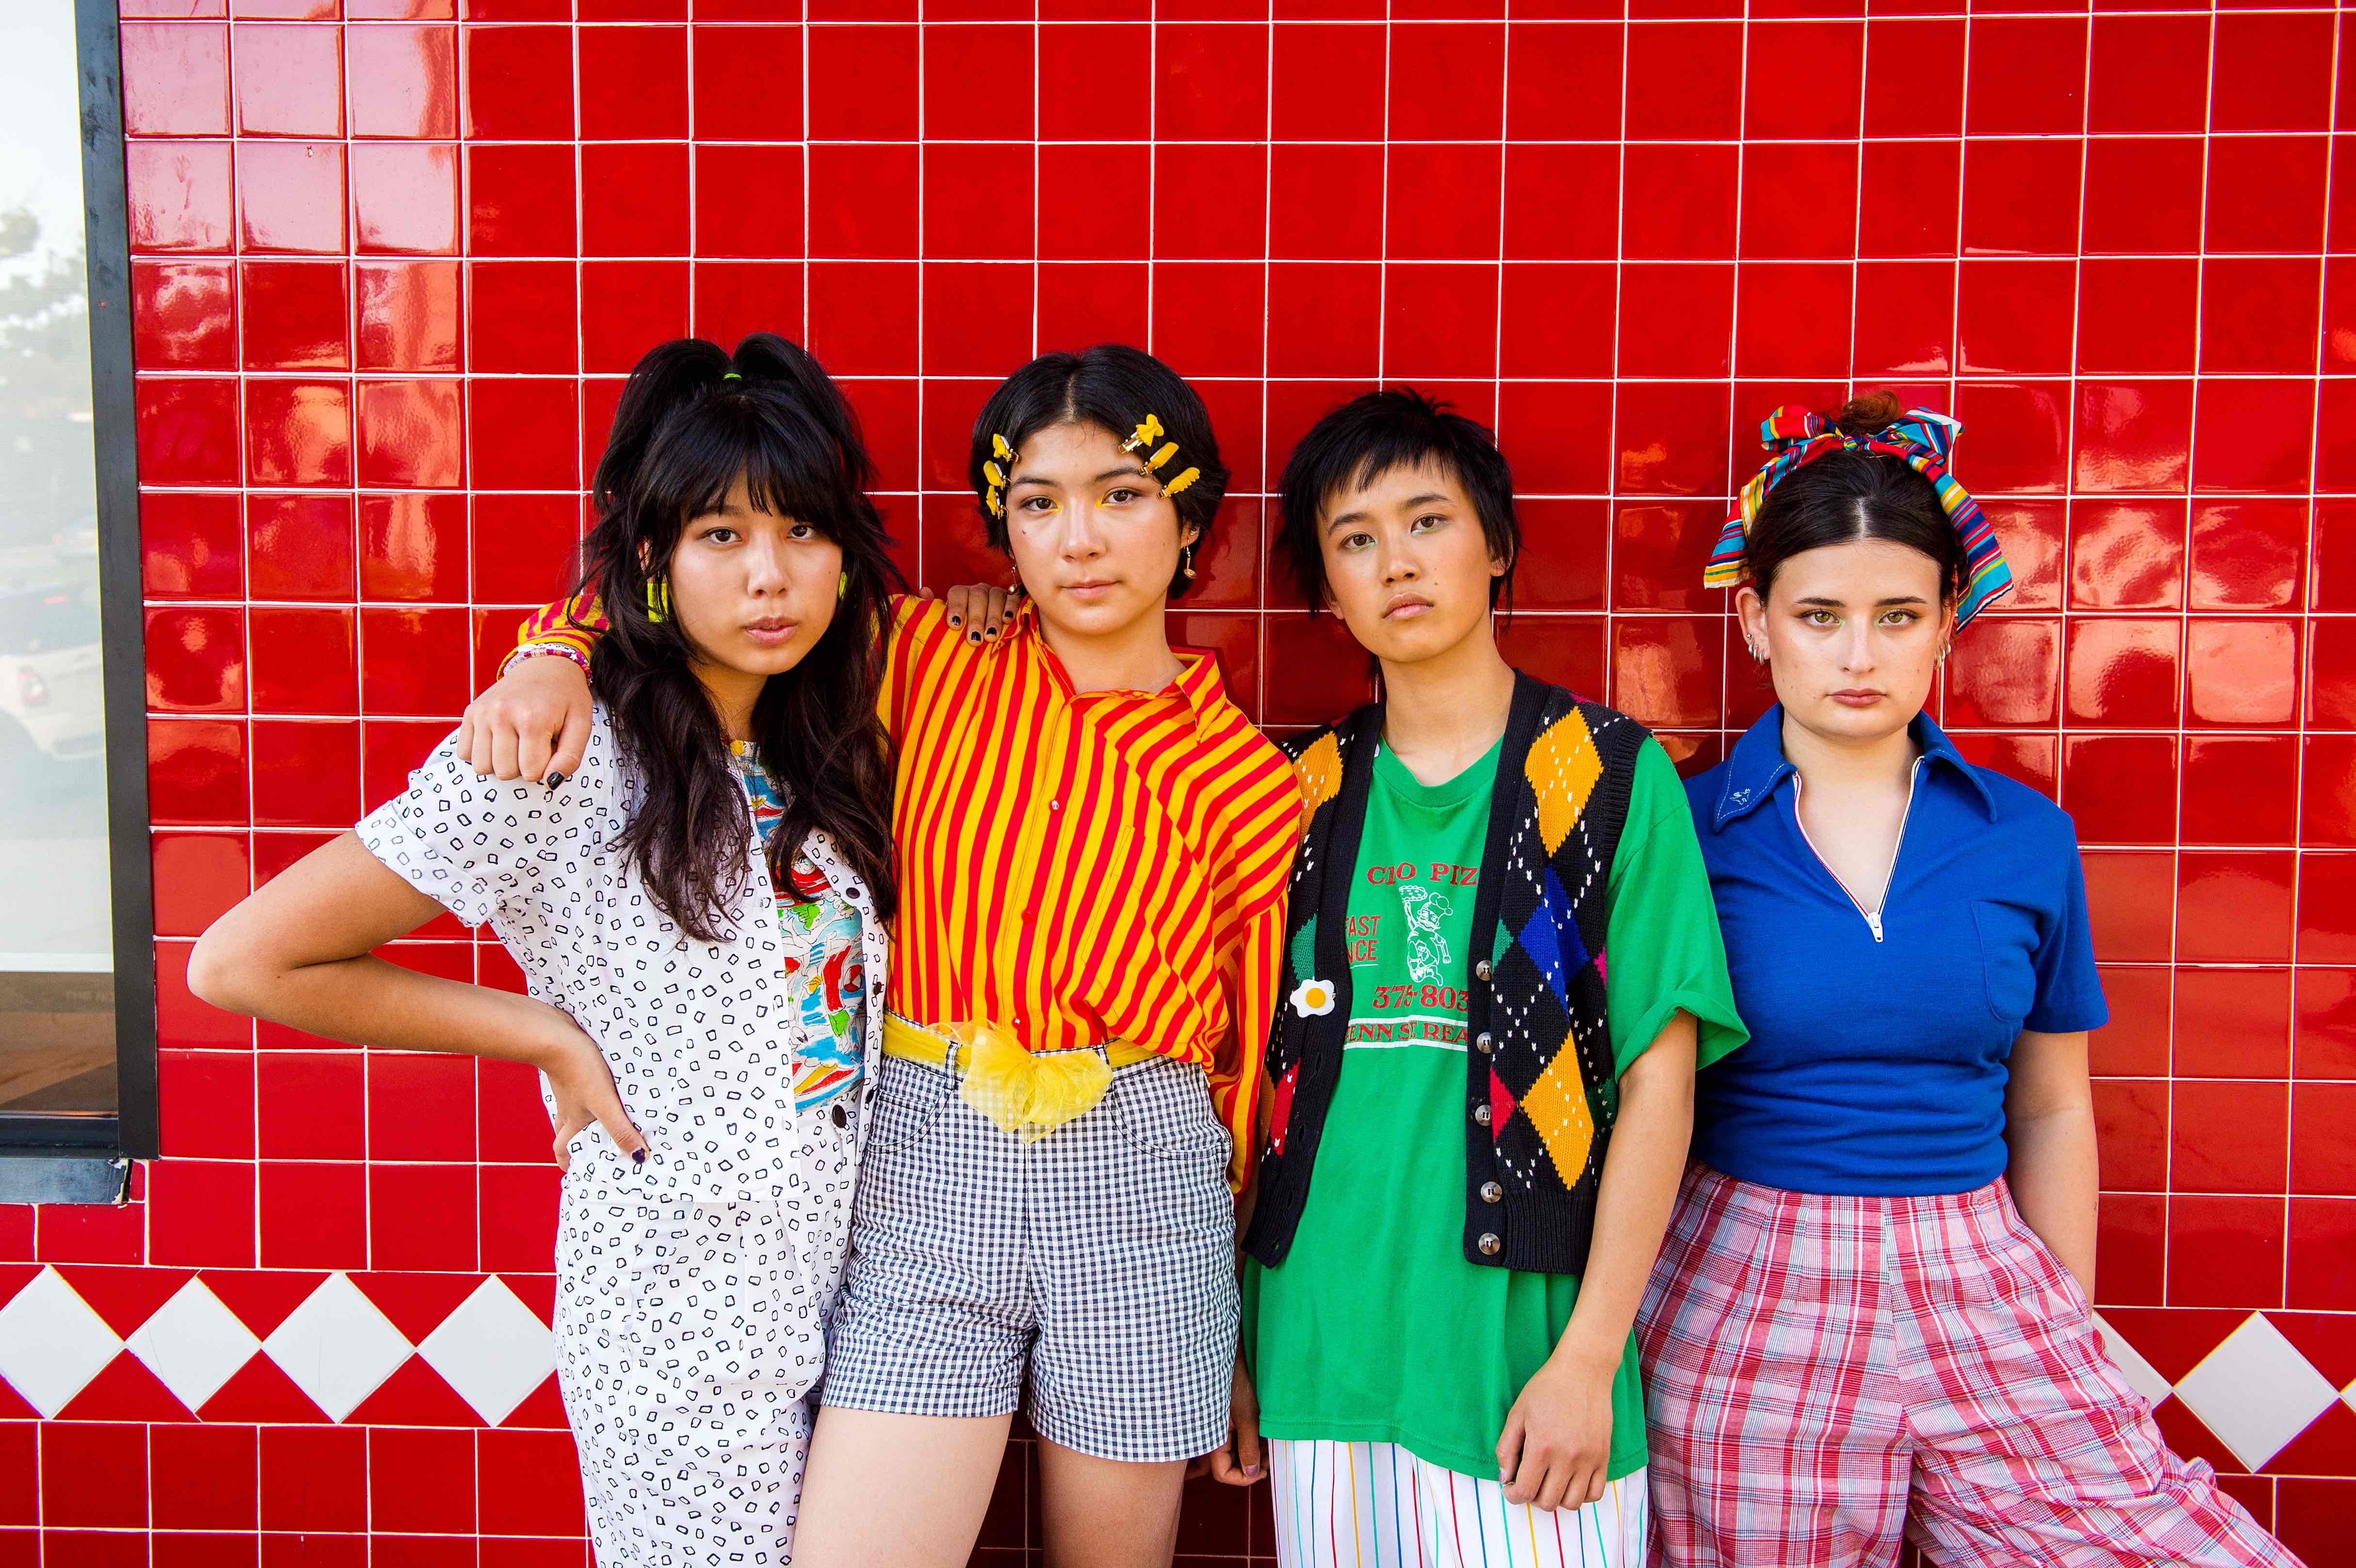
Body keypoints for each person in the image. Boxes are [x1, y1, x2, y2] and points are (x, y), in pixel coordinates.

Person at [461, 344, 1298, 1568]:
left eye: (1122, 495)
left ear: (1192, 526)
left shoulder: (1254, 784)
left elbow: (1246, 1073)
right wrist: (549, 653)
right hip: (924, 1163)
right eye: (1039, 504)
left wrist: (1230, 1319)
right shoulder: (923, 659)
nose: (1080, 540)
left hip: (1146, 1191)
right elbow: (697, 586)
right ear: (1003, 532)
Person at [187, 333, 905, 1566]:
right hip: (676, 1326)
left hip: (845, 1300)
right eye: (722, 535)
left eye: (803, 531)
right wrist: (544, 1036)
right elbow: (243, 961)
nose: (770, 576)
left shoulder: (824, 749)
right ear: (654, 560)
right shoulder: (558, 753)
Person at [1641, 394, 2305, 1567]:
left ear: (1950, 622)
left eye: (1898, 616)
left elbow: (2050, 1106)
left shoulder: (2026, 838)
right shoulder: (1680, 833)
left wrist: (2065, 1320)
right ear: (1755, 621)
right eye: (1820, 615)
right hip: (1747, 1282)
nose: (1860, 655)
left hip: (1983, 1270)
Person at [1203, 389, 1747, 1568]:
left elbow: (1660, 1084)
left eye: (1427, 522)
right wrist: (1231, 1339)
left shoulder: (1606, 774)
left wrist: (1590, 1358)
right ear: (1327, 589)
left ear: (1496, 545)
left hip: (1524, 1366)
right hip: (1320, 1346)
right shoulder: (1293, 787)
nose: (1396, 562)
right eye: (1355, 539)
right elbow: (1238, 1079)